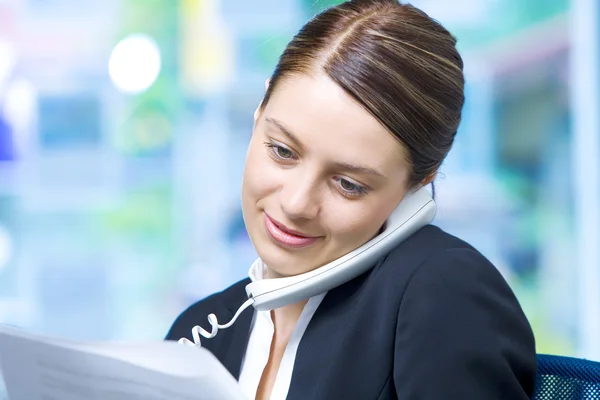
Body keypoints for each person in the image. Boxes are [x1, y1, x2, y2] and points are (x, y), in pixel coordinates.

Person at [165, 0, 537, 399]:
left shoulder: (443, 291)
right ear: (260, 112)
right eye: (282, 151)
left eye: (348, 184)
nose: (296, 203)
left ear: (419, 181)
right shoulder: (202, 329)